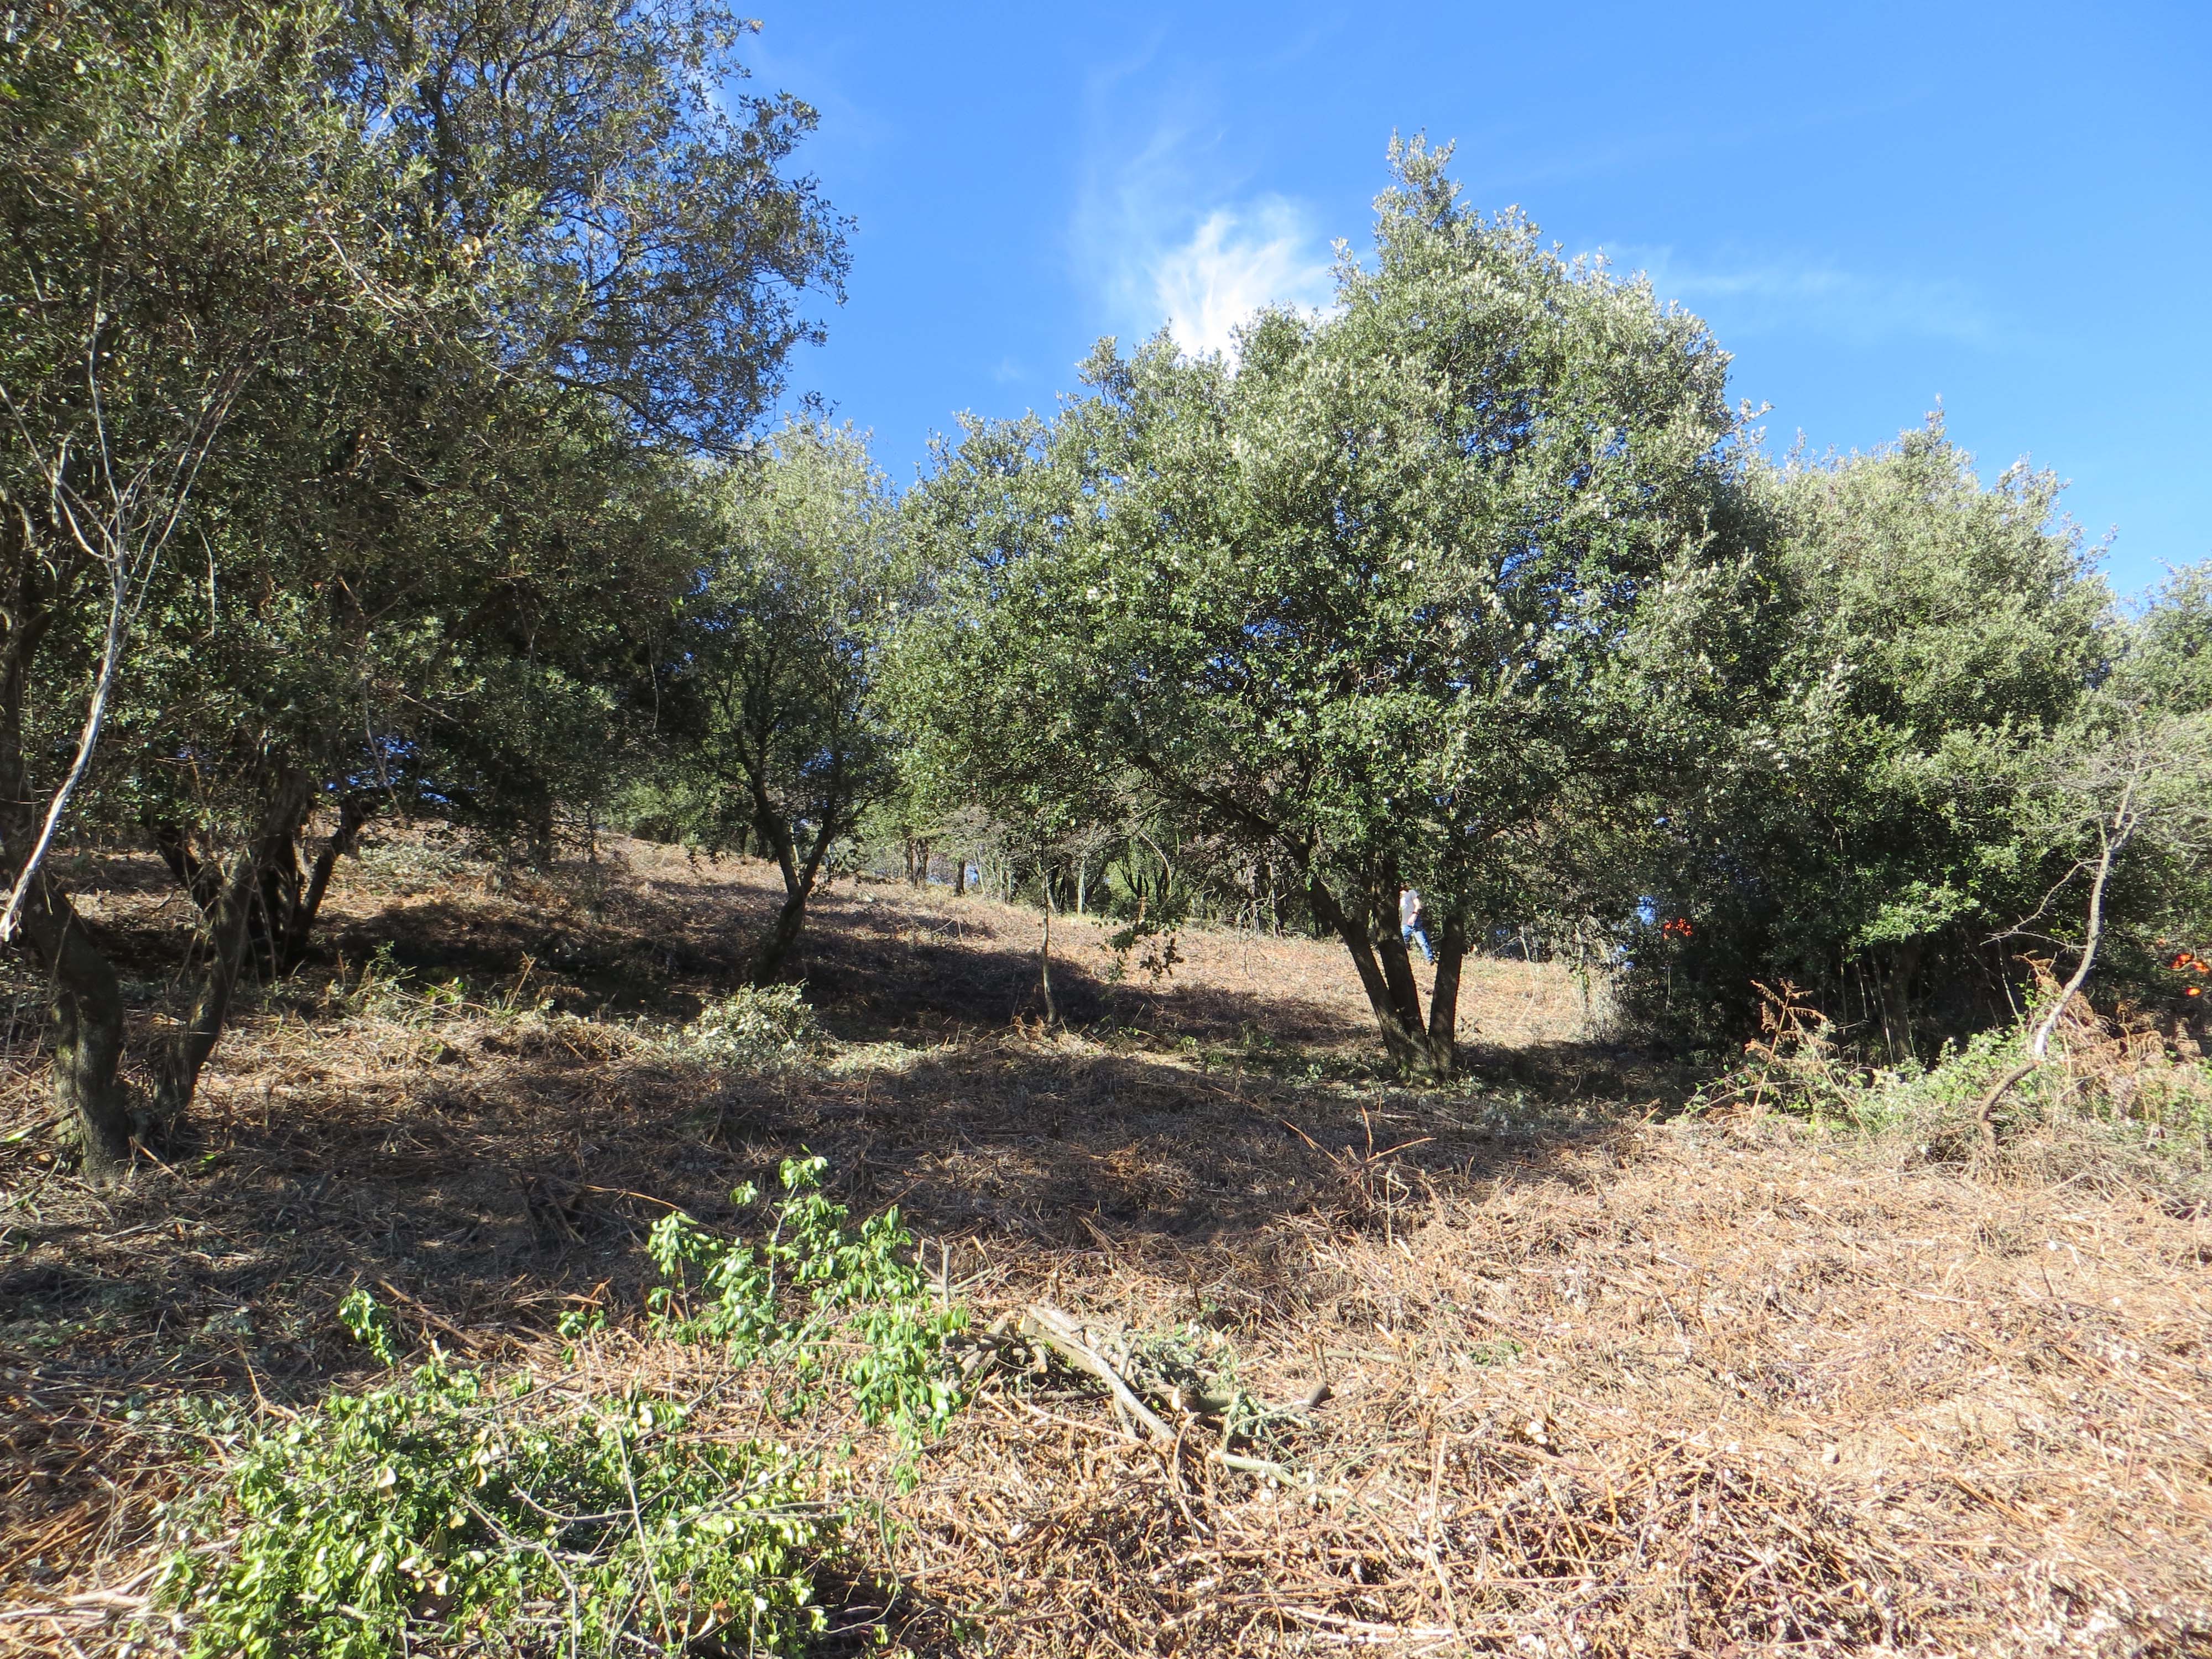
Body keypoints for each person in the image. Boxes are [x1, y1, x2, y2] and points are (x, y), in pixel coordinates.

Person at [1399, 886, 1434, 965]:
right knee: (1401, 940)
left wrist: (1414, 915)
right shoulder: (1401, 898)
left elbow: (1418, 905)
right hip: (1405, 923)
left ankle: (1430, 959)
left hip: (1415, 922)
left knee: (1422, 942)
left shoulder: (1411, 892)